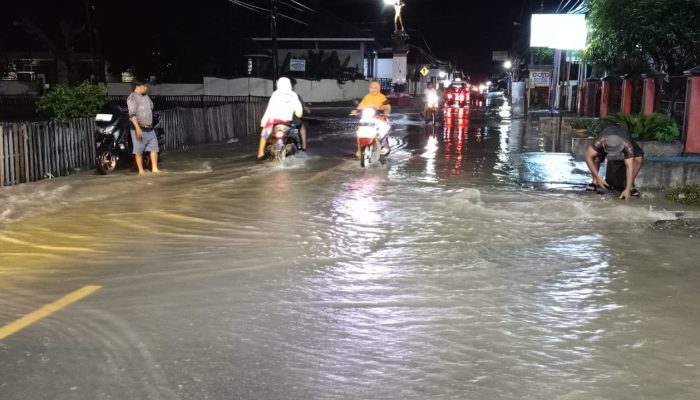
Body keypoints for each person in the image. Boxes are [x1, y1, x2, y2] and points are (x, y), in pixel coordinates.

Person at [584, 125, 644, 200]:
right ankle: (595, 182)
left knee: (638, 159)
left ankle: (629, 186)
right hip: (607, 135)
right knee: (595, 158)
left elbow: (629, 167)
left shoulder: (628, 146)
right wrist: (598, 177)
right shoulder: (600, 141)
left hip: (624, 138)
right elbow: (588, 157)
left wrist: (628, 189)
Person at [257, 77, 303, 161]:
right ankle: (299, 147)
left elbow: (269, 109)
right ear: (289, 85)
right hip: (287, 123)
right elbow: (299, 111)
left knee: (264, 133)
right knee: (295, 131)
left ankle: (260, 153)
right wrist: (298, 114)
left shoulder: (275, 94)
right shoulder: (293, 95)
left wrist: (264, 123)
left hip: (274, 122)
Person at [127, 79, 159, 175]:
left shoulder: (146, 97)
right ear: (138, 86)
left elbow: (151, 107)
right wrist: (137, 128)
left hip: (149, 127)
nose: (146, 87)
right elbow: (132, 115)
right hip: (138, 128)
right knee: (138, 150)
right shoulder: (132, 97)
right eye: (144, 86)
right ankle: (141, 171)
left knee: (154, 148)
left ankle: (155, 169)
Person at [352, 81, 391, 158]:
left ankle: (385, 146)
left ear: (379, 88)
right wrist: (356, 110)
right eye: (372, 87)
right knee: (359, 130)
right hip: (367, 117)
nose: (373, 89)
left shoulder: (382, 97)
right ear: (369, 89)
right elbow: (361, 105)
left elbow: (386, 106)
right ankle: (360, 149)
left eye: (375, 87)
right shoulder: (367, 96)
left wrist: (386, 111)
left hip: (378, 117)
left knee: (384, 126)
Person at [290, 78, 309, 152]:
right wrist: (305, 109)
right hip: (293, 120)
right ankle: (304, 146)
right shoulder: (295, 96)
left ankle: (261, 152)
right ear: (292, 86)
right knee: (302, 127)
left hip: (279, 119)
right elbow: (301, 108)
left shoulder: (276, 95)